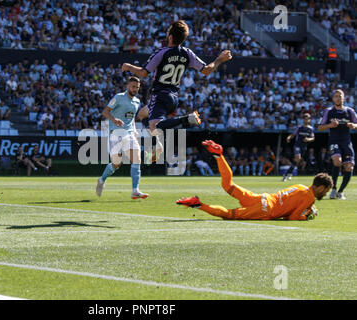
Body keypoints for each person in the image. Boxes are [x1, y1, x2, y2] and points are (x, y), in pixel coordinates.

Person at [122, 20, 232, 161]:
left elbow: (143, 73)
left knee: (156, 126)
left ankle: (186, 119)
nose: (167, 32)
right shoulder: (187, 53)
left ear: (171, 37)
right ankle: (157, 144)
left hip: (160, 94)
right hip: (173, 97)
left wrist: (129, 66)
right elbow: (206, 70)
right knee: (143, 114)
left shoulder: (162, 53)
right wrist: (219, 59)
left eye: (168, 31)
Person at [176, 140, 333, 221]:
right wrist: (307, 215)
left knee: (228, 185)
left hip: (262, 198)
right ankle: (198, 204)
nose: (325, 194)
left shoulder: (300, 186)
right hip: (266, 210)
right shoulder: (310, 198)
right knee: (230, 215)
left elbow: (289, 207)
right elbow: (291, 217)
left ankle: (219, 155)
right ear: (320, 188)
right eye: (325, 191)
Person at [96, 76, 148, 199]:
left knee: (136, 159)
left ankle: (135, 190)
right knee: (116, 163)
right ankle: (102, 180)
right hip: (116, 133)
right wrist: (114, 119)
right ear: (127, 86)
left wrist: (134, 130)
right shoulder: (118, 97)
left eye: (137, 87)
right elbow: (105, 112)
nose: (135, 89)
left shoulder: (137, 102)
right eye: (133, 86)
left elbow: (132, 119)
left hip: (129, 133)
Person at [318, 89, 357, 199]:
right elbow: (320, 127)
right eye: (335, 96)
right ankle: (333, 188)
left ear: (343, 98)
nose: (338, 98)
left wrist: (354, 126)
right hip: (334, 141)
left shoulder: (350, 111)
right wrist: (330, 125)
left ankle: (340, 191)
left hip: (346, 142)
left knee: (349, 167)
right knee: (337, 161)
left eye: (340, 96)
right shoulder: (328, 111)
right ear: (333, 98)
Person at [283, 113, 315, 181]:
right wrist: (289, 137)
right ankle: (288, 174)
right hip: (297, 145)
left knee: (296, 161)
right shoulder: (299, 127)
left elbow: (313, 138)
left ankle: (288, 173)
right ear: (303, 119)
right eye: (305, 119)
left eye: (308, 119)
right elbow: (293, 134)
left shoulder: (310, 129)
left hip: (304, 147)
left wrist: (308, 139)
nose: (306, 120)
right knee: (298, 158)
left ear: (309, 120)